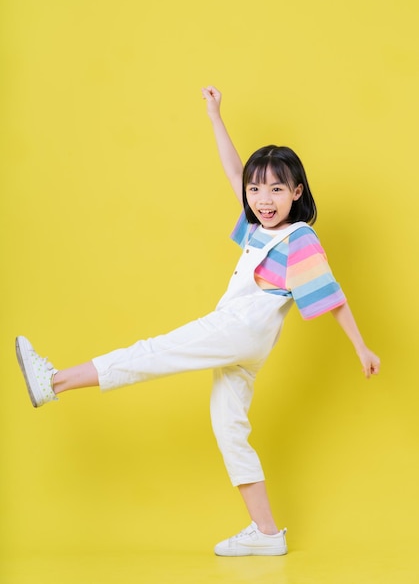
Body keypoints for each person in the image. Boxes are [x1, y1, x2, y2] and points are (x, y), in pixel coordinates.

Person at [16, 86, 380, 557]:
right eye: (255, 189)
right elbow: (232, 170)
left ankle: (54, 382)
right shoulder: (256, 227)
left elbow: (332, 296)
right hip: (249, 344)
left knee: (153, 352)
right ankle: (267, 533)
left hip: (240, 329)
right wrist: (215, 115)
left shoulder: (299, 238)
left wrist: (360, 346)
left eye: (275, 188)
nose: (262, 198)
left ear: (297, 191)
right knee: (229, 428)